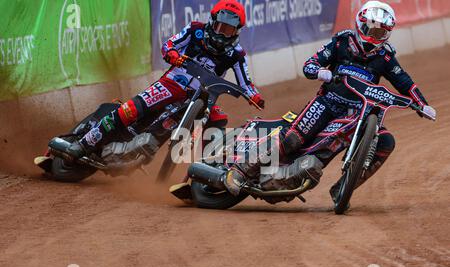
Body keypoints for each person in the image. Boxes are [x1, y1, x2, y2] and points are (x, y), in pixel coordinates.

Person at [224, 1, 436, 204]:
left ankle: (344, 187)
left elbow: (405, 83)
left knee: (386, 141)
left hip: (356, 114)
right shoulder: (342, 42)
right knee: (292, 140)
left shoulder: (386, 57)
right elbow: (309, 65)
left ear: (387, 35)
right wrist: (320, 72)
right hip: (327, 103)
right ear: (360, 24)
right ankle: (240, 171)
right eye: (370, 30)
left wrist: (422, 105)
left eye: (379, 33)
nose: (372, 37)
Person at [52, 0, 264, 160]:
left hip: (201, 97)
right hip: (172, 84)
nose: (222, 34)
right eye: (220, 27)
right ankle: (83, 144)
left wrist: (254, 96)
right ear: (212, 22)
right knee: (130, 111)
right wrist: (172, 54)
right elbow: (168, 45)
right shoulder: (194, 30)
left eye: (228, 30)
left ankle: (209, 169)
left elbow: (246, 82)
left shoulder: (236, 54)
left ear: (237, 31)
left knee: (218, 119)